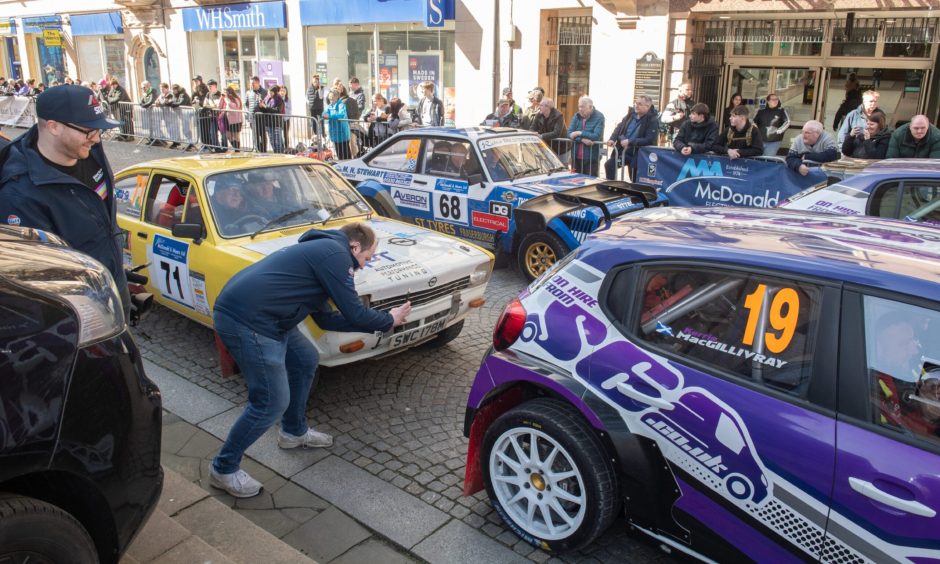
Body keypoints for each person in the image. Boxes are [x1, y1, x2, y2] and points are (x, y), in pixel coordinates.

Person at [208, 223, 412, 497]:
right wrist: (389, 319)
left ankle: (293, 432)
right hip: (249, 320)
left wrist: (382, 320)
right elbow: (354, 312)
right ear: (354, 246)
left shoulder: (322, 251)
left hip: (267, 315)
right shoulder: (334, 254)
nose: (365, 264)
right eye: (367, 256)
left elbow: (325, 318)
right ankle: (223, 469)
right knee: (270, 402)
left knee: (305, 358)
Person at [0, 85, 129, 310]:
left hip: (112, 284)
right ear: (54, 127)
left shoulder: (88, 150)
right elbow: (41, 277)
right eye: (89, 130)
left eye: (100, 130)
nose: (97, 139)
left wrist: (116, 269)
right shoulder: (20, 194)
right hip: (79, 308)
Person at [604, 95, 659, 181]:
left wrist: (630, 141)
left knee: (634, 178)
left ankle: (635, 192)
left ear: (647, 106)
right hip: (625, 152)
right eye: (636, 103)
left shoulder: (653, 120)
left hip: (639, 154)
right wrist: (612, 138)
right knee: (610, 164)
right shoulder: (630, 115)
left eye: (640, 104)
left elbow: (649, 139)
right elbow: (619, 127)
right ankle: (611, 187)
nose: (636, 105)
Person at [567, 96, 605, 177]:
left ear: (590, 107)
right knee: (575, 181)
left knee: (590, 182)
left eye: (583, 107)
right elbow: (569, 133)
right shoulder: (576, 116)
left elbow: (596, 136)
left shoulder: (599, 117)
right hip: (576, 156)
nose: (580, 109)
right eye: (579, 106)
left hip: (591, 157)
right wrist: (581, 140)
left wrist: (579, 133)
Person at [325, 86, 352, 159]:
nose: (330, 101)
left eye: (332, 99)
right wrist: (325, 115)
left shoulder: (341, 105)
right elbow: (324, 113)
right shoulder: (329, 106)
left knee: (345, 152)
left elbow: (341, 115)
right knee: (339, 152)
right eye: (330, 99)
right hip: (334, 132)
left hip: (342, 132)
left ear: (337, 98)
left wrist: (330, 116)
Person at [245, 76, 267, 153]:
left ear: (258, 83)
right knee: (255, 135)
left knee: (262, 134)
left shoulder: (264, 92)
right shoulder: (248, 93)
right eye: (251, 83)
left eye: (253, 83)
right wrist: (249, 113)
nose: (251, 85)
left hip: (261, 118)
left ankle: (264, 150)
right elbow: (246, 104)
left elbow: (267, 104)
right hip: (252, 118)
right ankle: (257, 150)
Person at [219, 86, 243, 151]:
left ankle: (237, 150)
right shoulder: (225, 99)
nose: (225, 94)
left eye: (226, 92)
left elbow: (233, 107)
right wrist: (221, 99)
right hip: (228, 119)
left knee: (236, 135)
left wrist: (227, 99)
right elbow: (219, 106)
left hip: (236, 120)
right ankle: (235, 147)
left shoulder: (236, 99)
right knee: (229, 135)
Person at [263, 85, 286, 154]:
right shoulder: (267, 98)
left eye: (271, 93)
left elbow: (277, 110)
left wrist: (266, 107)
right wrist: (261, 105)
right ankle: (276, 152)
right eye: (269, 92)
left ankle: (280, 153)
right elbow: (265, 108)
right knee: (272, 140)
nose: (270, 94)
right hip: (269, 123)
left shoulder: (279, 99)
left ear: (275, 92)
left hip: (276, 123)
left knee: (278, 140)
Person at [140, 80, 157, 145]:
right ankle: (151, 139)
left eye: (144, 87)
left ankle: (157, 140)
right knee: (150, 126)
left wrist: (143, 105)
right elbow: (141, 101)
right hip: (148, 111)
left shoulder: (153, 91)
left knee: (155, 127)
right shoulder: (145, 93)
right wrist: (142, 104)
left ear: (148, 86)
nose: (143, 89)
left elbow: (151, 101)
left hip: (154, 112)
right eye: (142, 88)